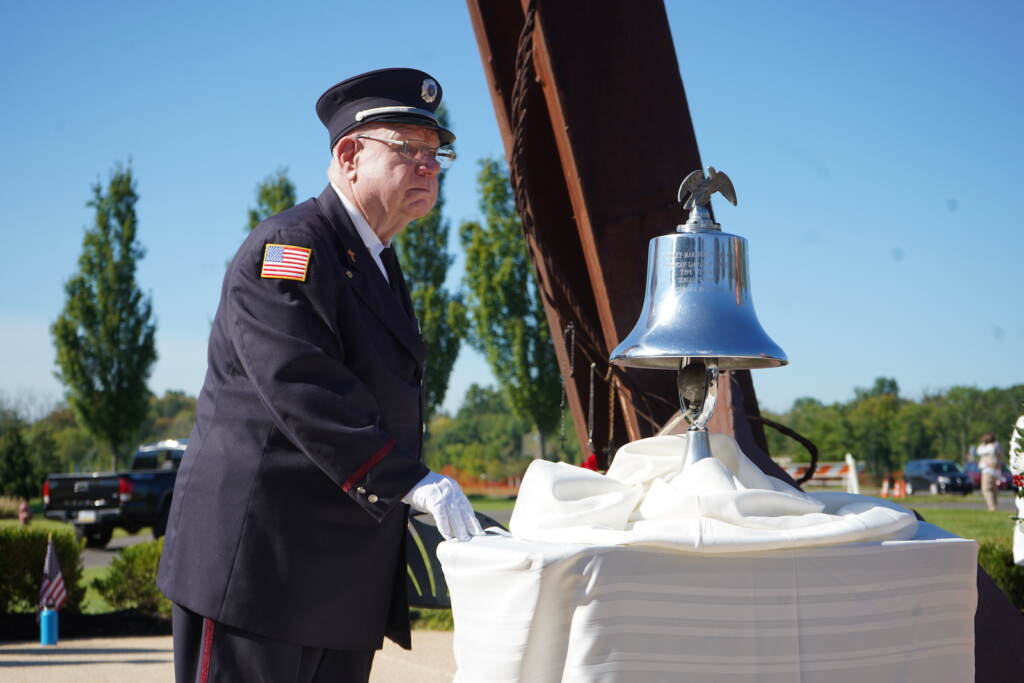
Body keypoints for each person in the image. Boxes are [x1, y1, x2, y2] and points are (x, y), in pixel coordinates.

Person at [157, 68, 483, 683]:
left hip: (334, 585)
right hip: (259, 573)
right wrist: (409, 480)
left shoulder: (375, 260)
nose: (430, 166)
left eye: (438, 153)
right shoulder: (290, 247)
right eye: (409, 149)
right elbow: (300, 383)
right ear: (349, 155)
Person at [977, 432, 1003, 511]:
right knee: (993, 489)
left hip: (988, 470)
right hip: (995, 470)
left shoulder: (990, 447)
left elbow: (979, 451)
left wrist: (982, 444)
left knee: (986, 489)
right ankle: (995, 505)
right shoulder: (997, 446)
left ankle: (992, 507)